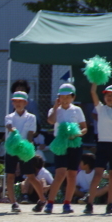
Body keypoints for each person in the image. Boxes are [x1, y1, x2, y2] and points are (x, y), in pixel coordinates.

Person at [44, 83, 87, 214]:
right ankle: (50, 203)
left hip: (74, 144)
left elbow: (84, 127)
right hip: (61, 144)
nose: (65, 99)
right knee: (60, 173)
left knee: (72, 174)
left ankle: (67, 203)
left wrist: (78, 133)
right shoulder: (55, 109)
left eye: (68, 97)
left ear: (73, 97)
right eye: (62, 97)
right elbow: (50, 121)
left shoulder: (77, 110)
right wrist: (55, 107)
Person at [84, 84, 112, 214]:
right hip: (102, 145)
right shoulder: (100, 108)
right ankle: (89, 203)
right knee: (97, 175)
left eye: (111, 95)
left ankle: (110, 204)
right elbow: (93, 92)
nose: (109, 97)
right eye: (107, 95)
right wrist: (95, 81)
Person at [4, 91, 45, 213]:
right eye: (15, 101)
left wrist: (26, 149)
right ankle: (13, 203)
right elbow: (9, 126)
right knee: (10, 176)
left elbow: (30, 135)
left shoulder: (32, 117)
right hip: (11, 149)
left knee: (31, 176)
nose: (17, 103)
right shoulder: (9, 116)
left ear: (25, 103)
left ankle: (42, 199)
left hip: (24, 150)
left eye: (20, 101)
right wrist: (13, 130)